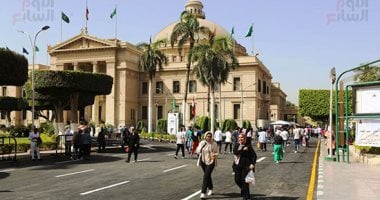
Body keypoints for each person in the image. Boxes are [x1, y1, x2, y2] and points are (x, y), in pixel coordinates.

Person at [232, 133, 257, 200]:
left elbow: (254, 156)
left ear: (245, 139)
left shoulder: (248, 146)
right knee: (237, 180)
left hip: (246, 166)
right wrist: (243, 149)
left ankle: (246, 197)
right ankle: (244, 190)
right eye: (239, 137)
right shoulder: (236, 145)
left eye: (242, 137)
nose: (240, 139)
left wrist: (253, 163)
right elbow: (235, 152)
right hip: (237, 166)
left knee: (245, 181)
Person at [196, 131, 218, 199]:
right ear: (205, 136)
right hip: (203, 160)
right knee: (207, 176)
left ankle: (203, 193)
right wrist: (199, 150)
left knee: (206, 176)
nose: (209, 138)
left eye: (210, 136)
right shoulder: (202, 142)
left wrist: (214, 154)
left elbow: (217, 152)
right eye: (207, 136)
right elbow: (197, 150)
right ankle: (210, 188)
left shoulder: (214, 144)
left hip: (211, 161)